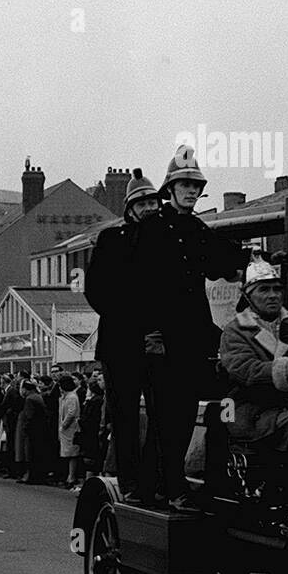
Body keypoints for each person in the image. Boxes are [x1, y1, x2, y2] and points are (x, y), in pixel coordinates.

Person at [136, 149, 245, 511]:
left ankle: (158, 484)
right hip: (161, 339)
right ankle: (169, 487)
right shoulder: (150, 230)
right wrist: (150, 336)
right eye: (184, 184)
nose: (191, 191)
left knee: (187, 412)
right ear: (170, 188)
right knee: (169, 416)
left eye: (196, 186)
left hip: (193, 337)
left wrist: (254, 262)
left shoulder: (197, 230)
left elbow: (224, 264)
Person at [218, 259, 288, 503]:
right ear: (248, 296)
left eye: (277, 289)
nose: (272, 295)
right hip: (253, 412)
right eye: (264, 289)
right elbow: (243, 368)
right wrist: (287, 368)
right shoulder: (236, 330)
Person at [85, 168, 162, 504]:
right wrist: (130, 319)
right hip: (121, 343)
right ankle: (129, 482)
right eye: (142, 202)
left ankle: (153, 480)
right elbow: (96, 292)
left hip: (160, 341)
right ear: (130, 207)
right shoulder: (110, 240)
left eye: (152, 202)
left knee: (162, 416)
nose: (149, 208)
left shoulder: (166, 240)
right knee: (125, 416)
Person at [16, 379, 48, 483]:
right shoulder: (38, 397)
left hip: (31, 431)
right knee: (38, 453)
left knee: (29, 454)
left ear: (26, 389)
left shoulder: (29, 399)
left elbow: (29, 416)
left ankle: (29, 476)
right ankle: (37, 476)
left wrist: (25, 428)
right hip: (40, 429)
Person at [57, 375, 83, 488]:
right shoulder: (65, 396)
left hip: (71, 428)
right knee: (68, 453)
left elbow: (71, 413)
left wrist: (63, 425)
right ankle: (69, 476)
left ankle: (71, 477)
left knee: (72, 453)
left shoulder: (72, 397)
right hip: (66, 429)